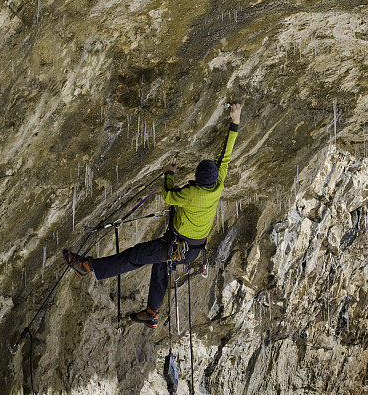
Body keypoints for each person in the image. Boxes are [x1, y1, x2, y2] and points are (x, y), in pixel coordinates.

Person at [64, 103, 242, 328]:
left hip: (177, 244)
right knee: (161, 265)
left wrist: (169, 173)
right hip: (191, 251)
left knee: (136, 256)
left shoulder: (191, 193)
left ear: (196, 177)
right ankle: (152, 313)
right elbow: (224, 157)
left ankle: (88, 267)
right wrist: (234, 121)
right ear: (215, 178)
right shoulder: (218, 186)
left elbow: (168, 195)